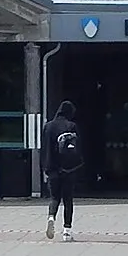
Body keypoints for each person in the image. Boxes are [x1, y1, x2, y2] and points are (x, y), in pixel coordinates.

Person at [41, 99, 85, 240]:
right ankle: (67, 231)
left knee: (54, 198)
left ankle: (51, 217)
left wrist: (45, 168)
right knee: (68, 200)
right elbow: (78, 148)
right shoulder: (71, 126)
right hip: (69, 169)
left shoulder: (48, 127)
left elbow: (44, 149)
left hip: (52, 169)